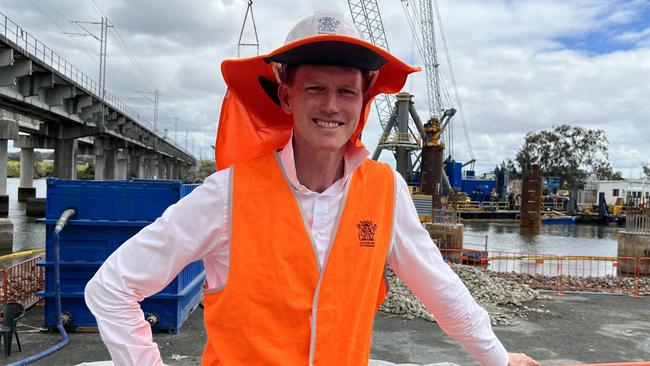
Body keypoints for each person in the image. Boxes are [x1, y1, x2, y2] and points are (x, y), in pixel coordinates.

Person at [85, 10, 539, 366]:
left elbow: (439, 286)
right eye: (315, 88)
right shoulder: (226, 194)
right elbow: (110, 288)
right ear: (286, 97)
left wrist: (499, 358)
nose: (331, 105)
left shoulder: (385, 190)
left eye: (346, 92)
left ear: (363, 103)